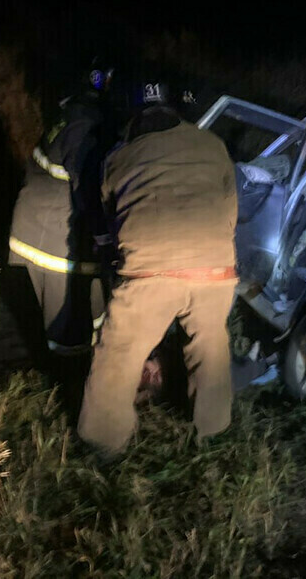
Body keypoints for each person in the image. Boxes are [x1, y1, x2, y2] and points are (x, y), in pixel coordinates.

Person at [76, 80, 239, 456]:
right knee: (211, 344)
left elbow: (109, 217)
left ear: (134, 117)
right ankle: (213, 432)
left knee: (120, 351)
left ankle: (103, 442)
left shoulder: (119, 157)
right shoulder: (212, 145)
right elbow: (230, 212)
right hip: (216, 270)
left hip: (151, 274)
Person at [7, 64, 116, 356]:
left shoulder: (68, 114)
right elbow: (88, 189)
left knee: (69, 310)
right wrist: (105, 238)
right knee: (66, 326)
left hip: (37, 227)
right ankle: (65, 380)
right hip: (55, 239)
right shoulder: (86, 127)